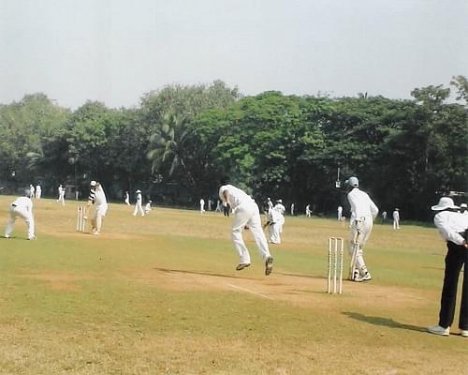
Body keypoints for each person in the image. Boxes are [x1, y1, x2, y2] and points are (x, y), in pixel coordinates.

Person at [427, 197, 468, 337]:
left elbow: (447, 232)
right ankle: (466, 327)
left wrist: (462, 241)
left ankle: (444, 325)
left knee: (450, 285)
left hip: (458, 246)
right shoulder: (462, 214)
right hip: (465, 240)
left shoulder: (439, 216)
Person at [219, 181, 274, 275]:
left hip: (243, 207)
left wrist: (227, 201)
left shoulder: (223, 188)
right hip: (253, 206)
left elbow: (225, 191)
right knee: (259, 233)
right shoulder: (237, 191)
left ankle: (245, 258)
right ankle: (267, 256)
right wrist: (245, 223)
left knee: (235, 231)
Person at [345, 176, 379, 282]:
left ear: (349, 185)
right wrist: (369, 220)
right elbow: (375, 210)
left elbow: (356, 208)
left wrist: (358, 224)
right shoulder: (364, 194)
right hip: (369, 221)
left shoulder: (351, 194)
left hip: (360, 221)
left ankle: (364, 273)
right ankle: (355, 273)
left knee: (352, 247)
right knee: (358, 248)